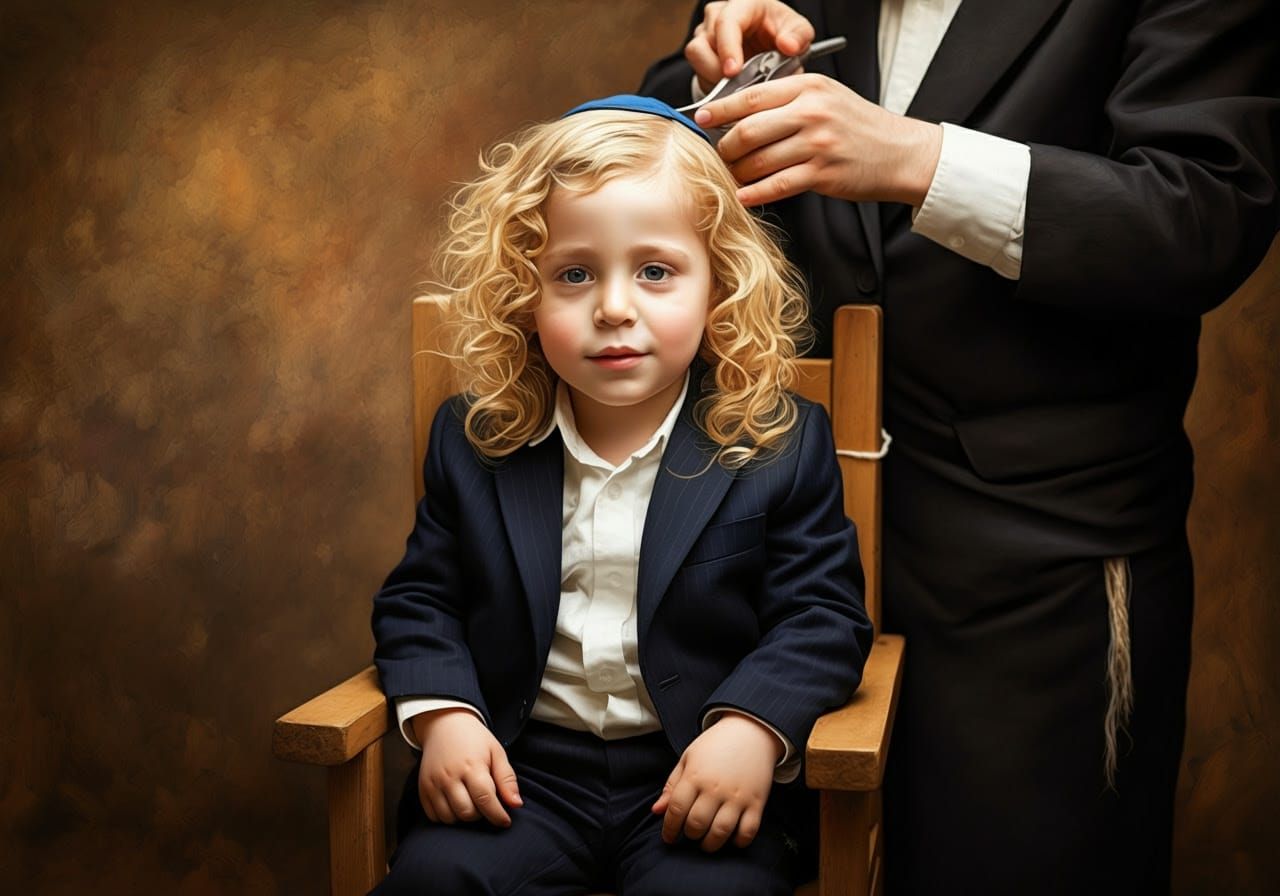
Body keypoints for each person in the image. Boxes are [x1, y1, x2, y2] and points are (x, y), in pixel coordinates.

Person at [641, 1, 1279, 892]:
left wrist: (919, 159)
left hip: (1043, 566)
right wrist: (706, 85)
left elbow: (1205, 214)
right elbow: (653, 167)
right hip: (779, 560)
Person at [370, 94, 874, 896]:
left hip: (697, 778)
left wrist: (750, 727)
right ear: (523, 296)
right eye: (573, 273)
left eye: (655, 271)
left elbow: (822, 616)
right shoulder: (476, 439)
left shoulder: (778, 440)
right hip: (521, 781)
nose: (613, 306)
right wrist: (444, 716)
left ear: (720, 285)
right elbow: (422, 598)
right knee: (437, 882)